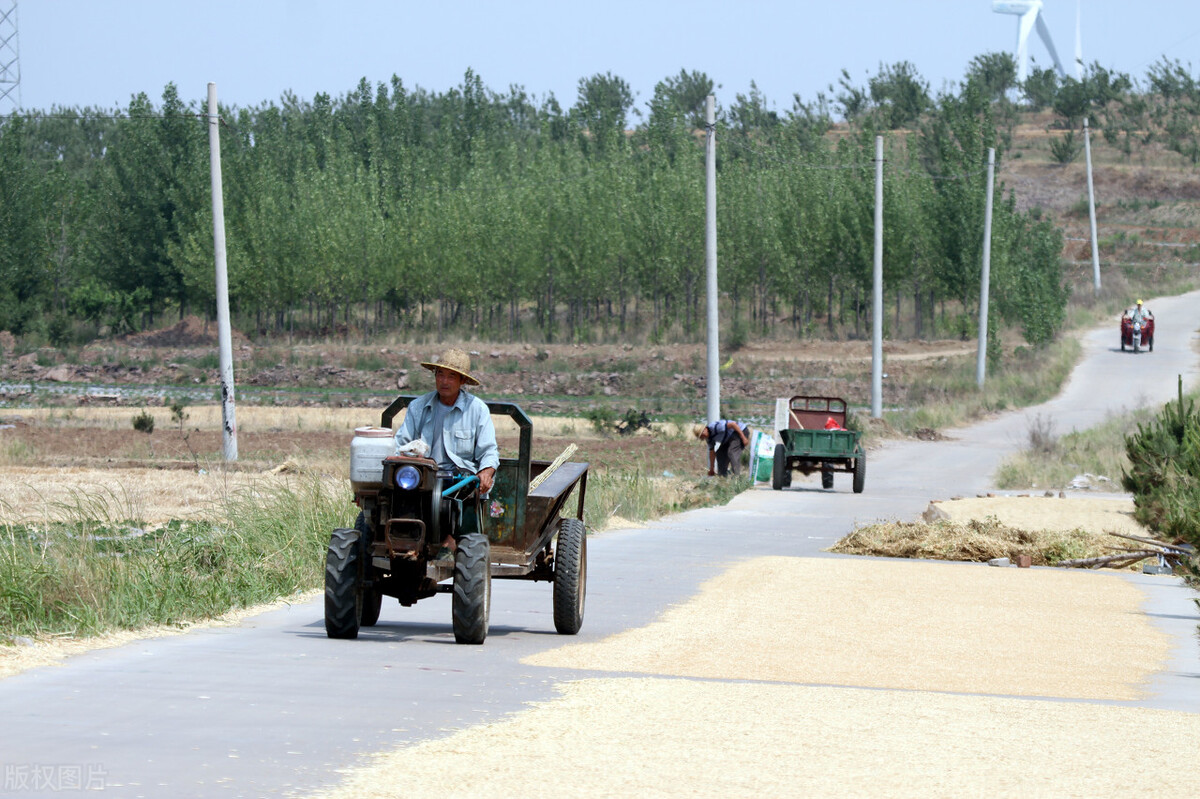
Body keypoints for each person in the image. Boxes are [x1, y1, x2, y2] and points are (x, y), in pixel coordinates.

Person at [394, 348, 499, 562]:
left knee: (451, 495)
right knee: (400, 490)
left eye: (452, 376)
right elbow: (401, 445)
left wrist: (486, 472)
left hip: (460, 479)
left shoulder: (477, 409)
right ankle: (403, 540)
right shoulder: (418, 407)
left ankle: (449, 540)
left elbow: (489, 451)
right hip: (424, 476)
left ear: (462, 381)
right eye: (440, 374)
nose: (445, 380)